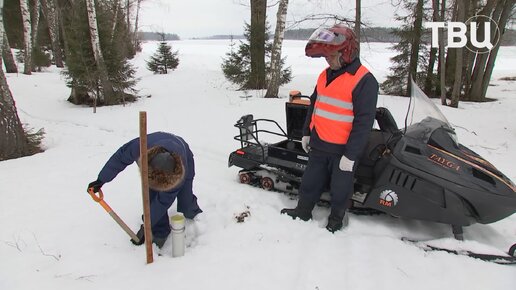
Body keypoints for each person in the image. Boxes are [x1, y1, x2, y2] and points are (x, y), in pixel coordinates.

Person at [281, 24, 378, 233]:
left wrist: (351, 155)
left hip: (343, 151)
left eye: (331, 55)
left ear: (347, 53)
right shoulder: (325, 75)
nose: (328, 60)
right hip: (319, 144)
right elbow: (314, 106)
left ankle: (336, 220)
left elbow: (364, 122)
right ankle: (303, 211)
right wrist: (306, 132)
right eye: (325, 57)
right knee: (310, 182)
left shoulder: (365, 81)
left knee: (340, 189)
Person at [87, 132, 202, 247]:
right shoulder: (138, 147)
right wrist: (101, 180)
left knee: (185, 197)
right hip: (154, 150)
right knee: (151, 196)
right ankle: (160, 232)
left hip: (183, 154)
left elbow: (163, 202)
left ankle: (193, 213)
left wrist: (147, 222)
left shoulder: (178, 173)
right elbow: (120, 158)